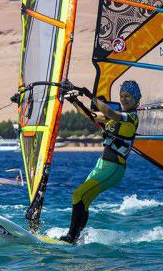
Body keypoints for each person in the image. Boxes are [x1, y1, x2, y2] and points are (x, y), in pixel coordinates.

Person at [58, 80, 141, 244]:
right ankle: (76, 237)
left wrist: (90, 96)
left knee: (79, 194)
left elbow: (111, 113)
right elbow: (90, 115)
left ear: (136, 99)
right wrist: (74, 101)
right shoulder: (115, 118)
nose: (124, 99)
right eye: (122, 96)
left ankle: (71, 237)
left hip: (114, 168)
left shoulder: (130, 118)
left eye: (128, 96)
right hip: (103, 164)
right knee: (84, 200)